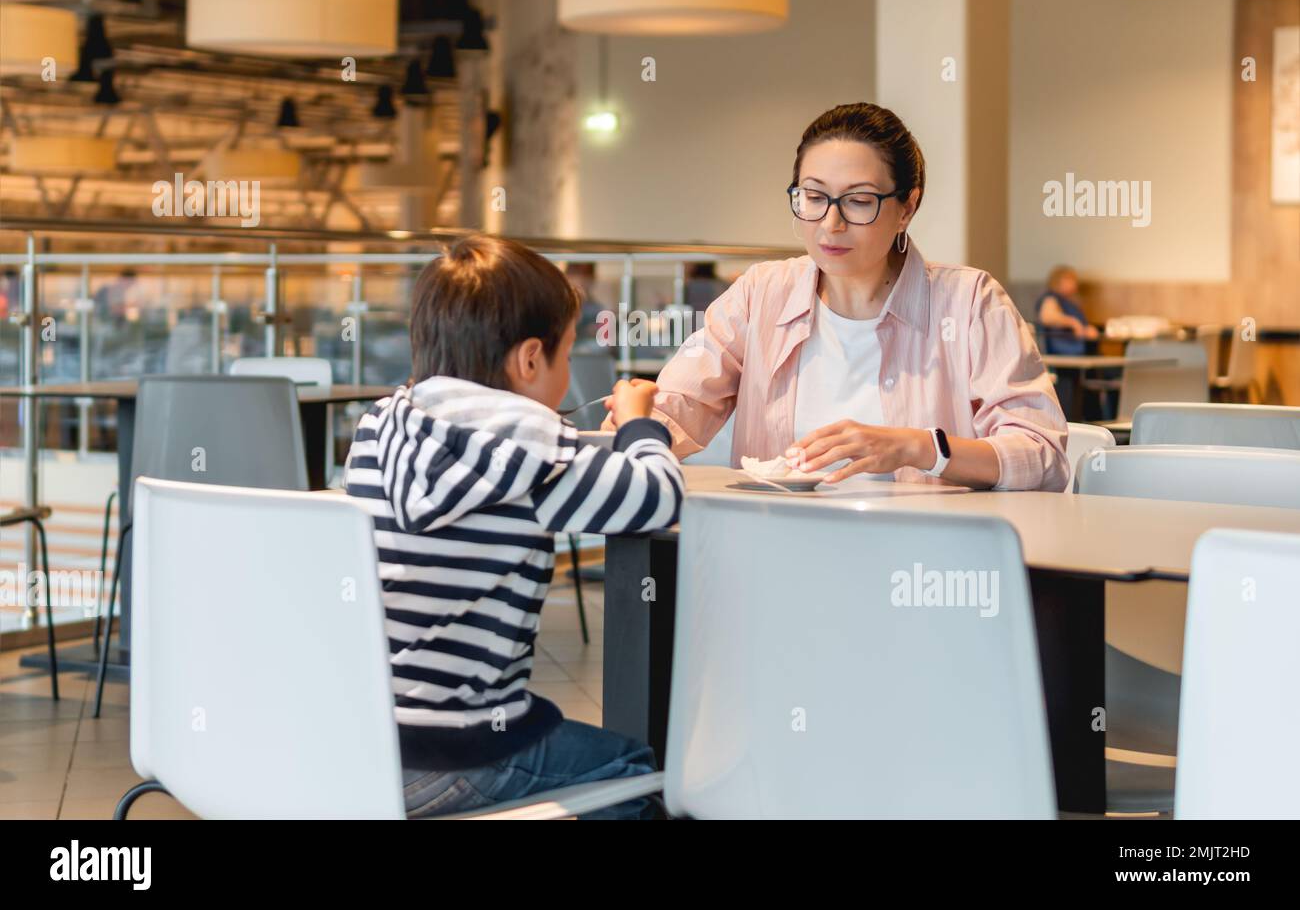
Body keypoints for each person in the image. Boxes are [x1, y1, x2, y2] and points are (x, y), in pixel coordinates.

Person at [344, 235, 682, 819]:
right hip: (461, 751)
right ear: (530, 359)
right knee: (634, 768)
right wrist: (637, 424)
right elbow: (659, 495)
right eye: (568, 354)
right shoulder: (535, 454)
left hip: (358, 743)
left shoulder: (378, 431)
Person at [622, 102, 1069, 491]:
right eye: (813, 196)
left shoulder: (970, 302)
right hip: (775, 553)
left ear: (907, 208)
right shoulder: (761, 295)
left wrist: (918, 447)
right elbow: (681, 407)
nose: (830, 224)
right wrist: (632, 423)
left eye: (857, 201)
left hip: (920, 565)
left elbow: (1042, 454)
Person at [1035, 266, 1103, 420]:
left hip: (1077, 353)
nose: (1074, 284)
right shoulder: (1051, 298)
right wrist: (1072, 322)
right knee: (1068, 394)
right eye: (1070, 280)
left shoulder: (1069, 302)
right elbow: (1047, 316)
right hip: (1063, 354)